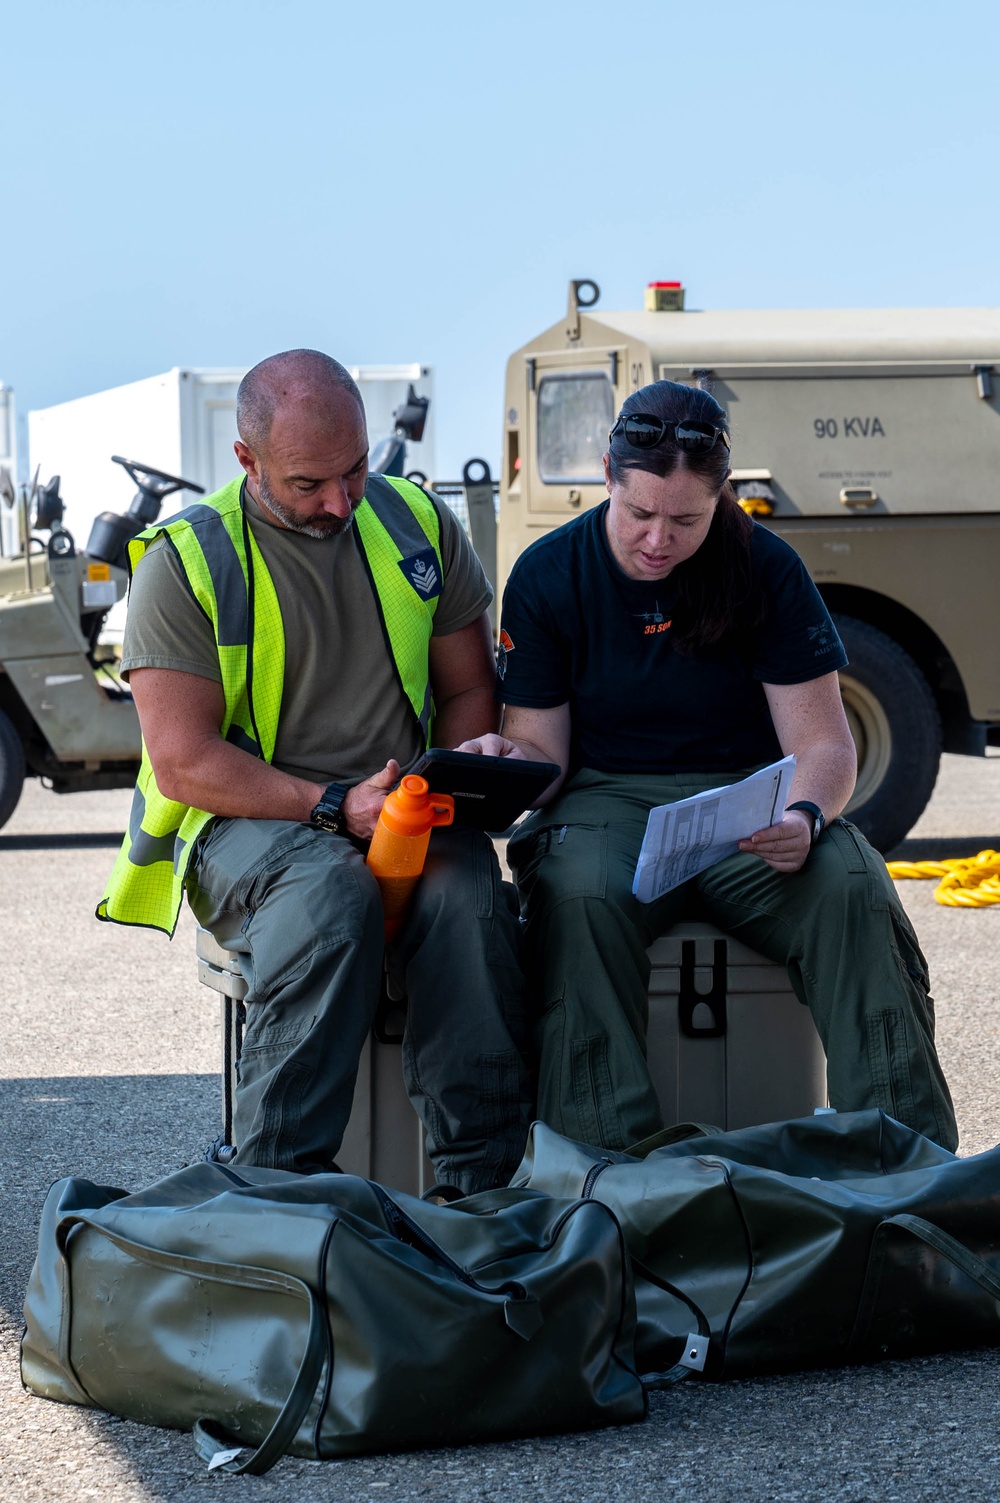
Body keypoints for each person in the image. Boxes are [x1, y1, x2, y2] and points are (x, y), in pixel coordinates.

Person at [459, 379, 958, 1153]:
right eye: (640, 514)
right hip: (603, 799)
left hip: (749, 806)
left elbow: (824, 746)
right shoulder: (550, 573)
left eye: (686, 519)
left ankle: (905, 1168)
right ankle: (606, 1176)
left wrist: (806, 815)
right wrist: (505, 759)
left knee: (853, 886)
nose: (658, 539)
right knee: (577, 897)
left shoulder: (768, 568)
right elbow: (542, 755)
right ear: (607, 477)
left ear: (721, 499)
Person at [99, 349, 532, 1193]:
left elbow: (470, 682)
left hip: (403, 810)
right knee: (332, 895)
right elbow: (184, 763)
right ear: (247, 462)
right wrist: (334, 806)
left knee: (472, 894)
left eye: (356, 469)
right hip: (249, 821)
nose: (340, 499)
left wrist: (467, 764)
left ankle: (487, 1201)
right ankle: (276, 1199)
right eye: (308, 484)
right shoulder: (185, 562)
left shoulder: (418, 524)